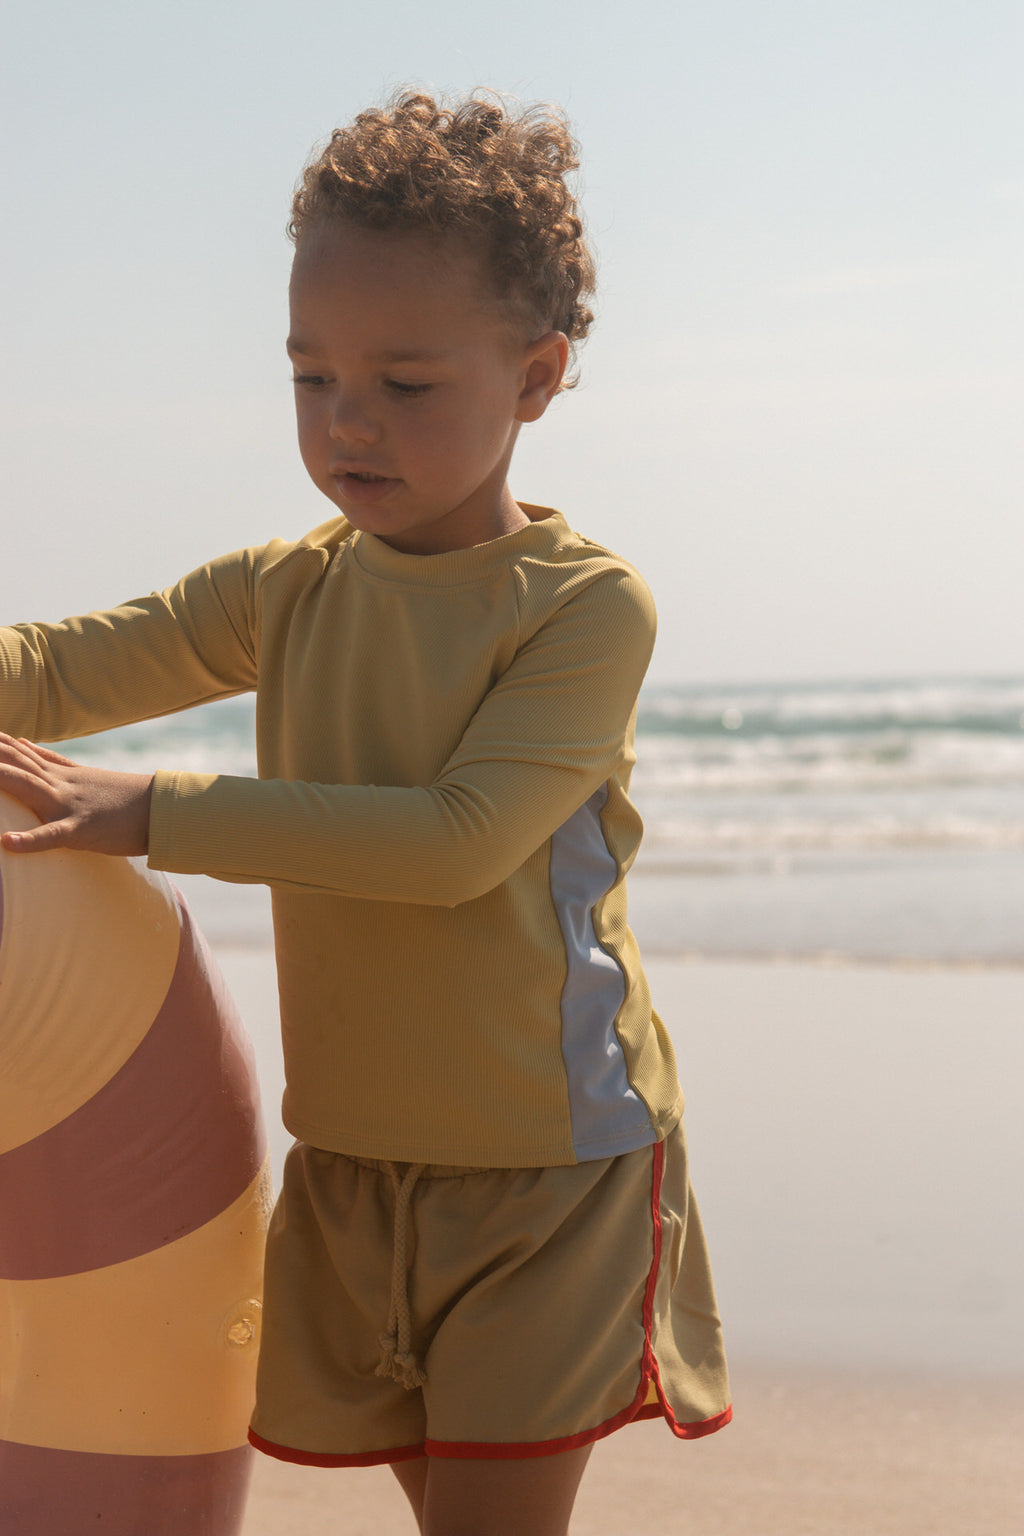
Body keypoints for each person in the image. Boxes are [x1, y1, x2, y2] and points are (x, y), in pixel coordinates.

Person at [0, 92, 730, 1535]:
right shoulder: (286, 588)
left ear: (537, 376)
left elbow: (455, 843)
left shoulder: (585, 608)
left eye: (405, 383)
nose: (347, 422)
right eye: (311, 374)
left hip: (548, 1172)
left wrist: (147, 810)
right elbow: (56, 669)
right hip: (350, 1167)